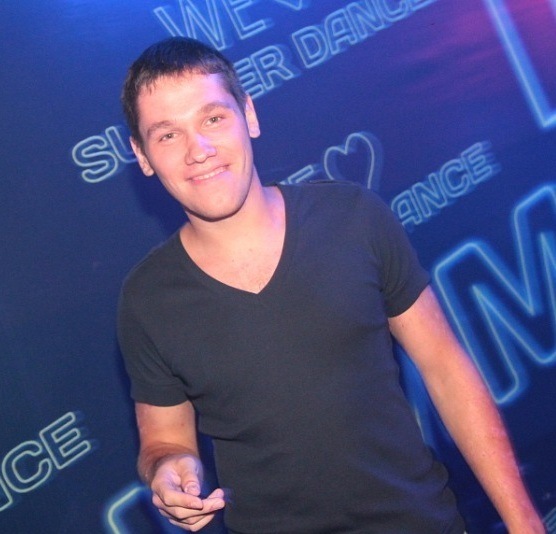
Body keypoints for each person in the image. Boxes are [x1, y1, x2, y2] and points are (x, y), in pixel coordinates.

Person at [117, 37, 545, 533]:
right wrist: (168, 468)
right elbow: (163, 439)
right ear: (142, 155)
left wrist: (523, 522)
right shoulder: (147, 299)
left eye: (213, 118)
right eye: (168, 135)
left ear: (249, 115)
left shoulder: (352, 217)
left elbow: (446, 369)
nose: (199, 151)